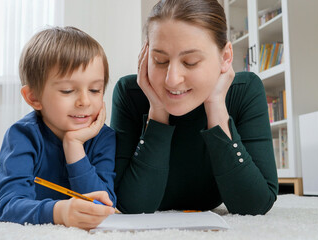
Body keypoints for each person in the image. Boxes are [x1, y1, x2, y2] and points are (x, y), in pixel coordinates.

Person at [111, 0, 278, 215]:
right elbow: (131, 206)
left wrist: (216, 107)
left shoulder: (244, 91)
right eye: (160, 60)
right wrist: (158, 112)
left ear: (225, 57)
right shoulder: (130, 94)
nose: (172, 80)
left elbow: (255, 205)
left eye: (190, 62)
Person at [0, 26, 116, 230]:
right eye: (68, 90)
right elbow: (8, 205)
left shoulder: (104, 138)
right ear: (34, 97)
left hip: (46, 190)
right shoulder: (22, 135)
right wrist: (59, 212)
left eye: (95, 90)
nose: (85, 101)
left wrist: (74, 146)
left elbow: (104, 202)